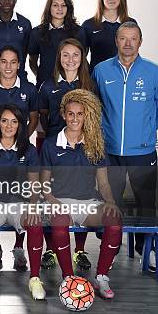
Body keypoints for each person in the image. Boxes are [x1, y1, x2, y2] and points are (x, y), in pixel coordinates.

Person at [92, 22, 158, 270]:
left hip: (143, 150)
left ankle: (145, 250)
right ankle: (111, 249)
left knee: (146, 203)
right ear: (116, 41)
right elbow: (94, 107)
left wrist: (145, 130)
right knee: (110, 202)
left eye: (133, 38)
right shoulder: (101, 71)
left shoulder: (154, 72)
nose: (128, 43)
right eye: (123, 38)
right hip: (111, 150)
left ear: (140, 41)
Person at [41, 89, 123, 299]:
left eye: (79, 114)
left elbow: (103, 183)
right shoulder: (51, 144)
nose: (75, 118)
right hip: (60, 201)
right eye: (71, 113)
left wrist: (111, 201)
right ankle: (69, 279)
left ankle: (102, 276)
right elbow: (43, 183)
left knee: (114, 220)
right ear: (63, 114)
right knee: (59, 224)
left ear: (86, 115)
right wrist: (51, 201)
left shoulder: (95, 144)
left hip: (88, 202)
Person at [38, 38, 96, 270]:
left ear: (82, 59)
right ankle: (50, 249)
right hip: (55, 147)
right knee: (51, 199)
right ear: (59, 58)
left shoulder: (89, 85)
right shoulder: (48, 85)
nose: (70, 60)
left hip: (82, 147)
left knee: (81, 195)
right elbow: (41, 117)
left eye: (75, 55)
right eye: (65, 55)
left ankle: (79, 250)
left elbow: (93, 118)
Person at [0, 104, 45, 300]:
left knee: (35, 222)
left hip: (19, 203)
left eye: (14, 121)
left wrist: (33, 206)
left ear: (20, 125)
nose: (9, 125)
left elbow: (34, 184)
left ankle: (34, 279)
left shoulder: (29, 150)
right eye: (4, 120)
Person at [0, 45, 38, 265]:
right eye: (4, 61)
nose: (8, 66)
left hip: (19, 146)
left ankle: (18, 247)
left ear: (19, 65)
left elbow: (33, 116)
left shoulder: (29, 89)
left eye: (13, 62)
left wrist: (20, 140)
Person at [28, 0, 86, 87]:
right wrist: (42, 78)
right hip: (45, 83)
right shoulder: (37, 32)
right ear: (49, 7)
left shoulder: (78, 32)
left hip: (72, 85)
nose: (60, 9)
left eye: (63, 5)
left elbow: (82, 56)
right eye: (55, 5)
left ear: (68, 8)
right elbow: (32, 61)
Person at [83, 0, 136, 72]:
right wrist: (90, 75)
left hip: (125, 78)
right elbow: (80, 56)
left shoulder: (130, 24)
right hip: (97, 81)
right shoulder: (89, 25)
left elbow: (134, 53)